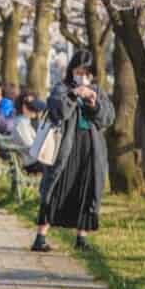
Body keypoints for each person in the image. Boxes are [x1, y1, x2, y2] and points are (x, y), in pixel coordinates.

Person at [31, 49, 115, 253]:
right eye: (79, 71)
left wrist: (94, 103)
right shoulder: (62, 88)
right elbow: (57, 110)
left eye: (87, 72)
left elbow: (107, 119)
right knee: (55, 188)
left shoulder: (98, 91)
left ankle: (81, 237)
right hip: (65, 148)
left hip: (90, 148)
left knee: (86, 189)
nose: (83, 76)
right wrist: (74, 94)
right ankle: (41, 236)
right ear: (71, 70)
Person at [10, 91, 47, 173]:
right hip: (30, 163)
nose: (35, 110)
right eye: (32, 106)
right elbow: (29, 146)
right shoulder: (21, 123)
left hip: (32, 160)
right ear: (24, 107)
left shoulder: (25, 121)